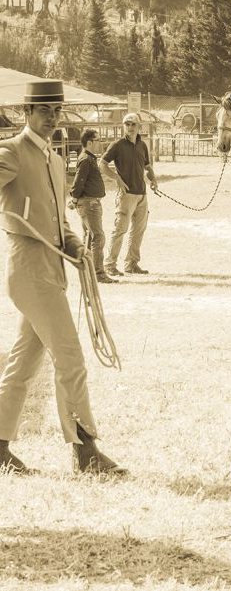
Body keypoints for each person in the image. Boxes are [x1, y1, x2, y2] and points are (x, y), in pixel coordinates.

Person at [0, 80, 126, 474]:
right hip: (29, 267)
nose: (52, 118)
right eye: (44, 111)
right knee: (70, 359)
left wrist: (74, 245)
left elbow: (58, 221)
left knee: (21, 365)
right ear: (27, 114)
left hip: (53, 269)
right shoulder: (11, 152)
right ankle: (85, 452)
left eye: (56, 111)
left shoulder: (56, 160)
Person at [100, 112, 158, 276]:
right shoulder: (117, 145)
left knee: (138, 231)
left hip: (142, 195)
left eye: (133, 124)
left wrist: (153, 180)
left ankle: (131, 264)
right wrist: (116, 178)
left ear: (139, 126)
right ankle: (110, 265)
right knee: (120, 230)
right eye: (127, 124)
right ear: (123, 126)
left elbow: (147, 166)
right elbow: (102, 164)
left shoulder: (142, 145)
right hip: (126, 195)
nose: (130, 127)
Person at [69, 128, 116, 284]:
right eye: (97, 140)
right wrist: (74, 198)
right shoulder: (86, 159)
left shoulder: (89, 158)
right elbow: (79, 181)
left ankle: (89, 270)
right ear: (89, 142)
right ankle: (98, 272)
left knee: (90, 238)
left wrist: (75, 199)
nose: (100, 143)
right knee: (98, 237)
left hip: (91, 202)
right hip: (89, 203)